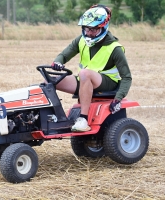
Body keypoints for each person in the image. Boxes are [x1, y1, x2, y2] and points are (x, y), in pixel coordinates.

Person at [50, 4, 132, 132]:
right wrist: (58, 62)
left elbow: (127, 77)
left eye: (93, 30)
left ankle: (83, 119)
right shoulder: (81, 40)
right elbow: (63, 55)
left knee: (84, 74)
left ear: (103, 27)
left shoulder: (115, 48)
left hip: (107, 83)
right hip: (85, 80)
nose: (89, 33)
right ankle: (54, 118)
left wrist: (118, 98)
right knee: (49, 81)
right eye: (86, 29)